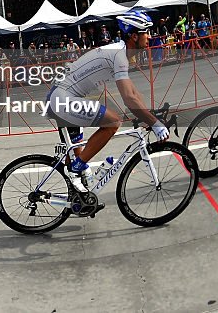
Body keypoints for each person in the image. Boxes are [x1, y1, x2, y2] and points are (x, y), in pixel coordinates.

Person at [46, 11, 170, 192]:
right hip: (63, 98)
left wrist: (149, 114)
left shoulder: (120, 53)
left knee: (78, 157)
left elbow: (133, 91)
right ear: (134, 36)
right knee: (113, 122)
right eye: (146, 32)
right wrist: (155, 123)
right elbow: (129, 98)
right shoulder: (119, 55)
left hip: (63, 96)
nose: (150, 37)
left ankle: (76, 195)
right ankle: (74, 170)